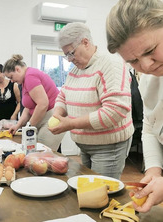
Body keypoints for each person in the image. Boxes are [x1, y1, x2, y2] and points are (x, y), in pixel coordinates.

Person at [49, 22, 134, 179]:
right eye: (66, 55)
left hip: (108, 147)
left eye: (71, 53)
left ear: (85, 42)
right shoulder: (76, 70)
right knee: (89, 190)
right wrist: (58, 113)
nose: (69, 60)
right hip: (85, 145)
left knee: (101, 194)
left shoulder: (110, 64)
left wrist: (71, 123)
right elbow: (63, 95)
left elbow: (114, 112)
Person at [106, 0, 163, 212]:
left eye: (150, 50)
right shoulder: (148, 78)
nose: (146, 65)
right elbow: (150, 125)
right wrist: (154, 171)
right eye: (134, 61)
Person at [3, 54, 65, 151]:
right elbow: (28, 108)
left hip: (52, 116)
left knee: (43, 153)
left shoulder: (30, 76)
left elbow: (43, 104)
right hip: (44, 117)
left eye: (11, 77)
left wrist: (29, 126)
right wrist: (18, 125)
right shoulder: (25, 80)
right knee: (34, 151)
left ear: (18, 69)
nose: (11, 81)